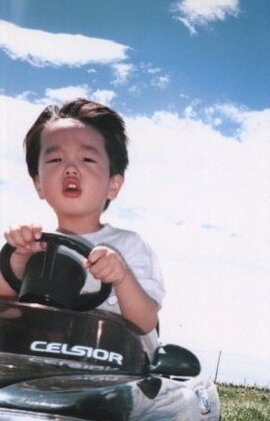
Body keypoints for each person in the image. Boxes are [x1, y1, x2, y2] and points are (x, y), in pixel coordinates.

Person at [0, 98, 165, 357]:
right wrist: (18, 258)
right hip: (42, 363)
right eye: (56, 159)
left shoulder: (129, 246)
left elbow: (145, 322)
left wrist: (121, 277)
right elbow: (5, 308)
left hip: (113, 365)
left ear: (113, 184)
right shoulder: (32, 244)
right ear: (38, 184)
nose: (70, 169)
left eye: (87, 159)